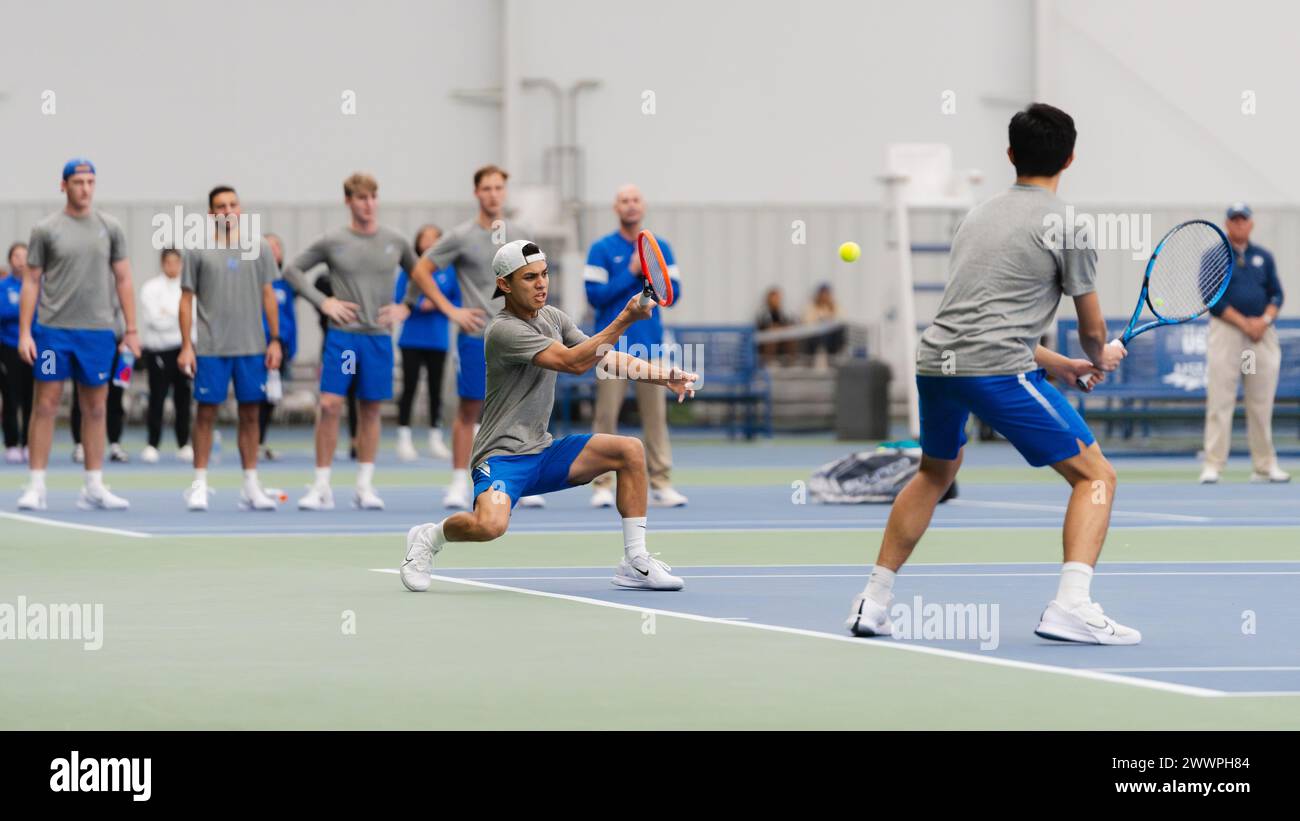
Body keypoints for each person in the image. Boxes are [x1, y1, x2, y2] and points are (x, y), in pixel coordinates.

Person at [844, 104, 1138, 645]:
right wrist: (1099, 355)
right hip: (996, 371)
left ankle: (873, 600)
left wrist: (1067, 366)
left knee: (936, 472)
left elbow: (981, 318)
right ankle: (1072, 605)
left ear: (1010, 155)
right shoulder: (1068, 224)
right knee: (1096, 476)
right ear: (1070, 158)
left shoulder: (977, 216)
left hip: (936, 364)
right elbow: (1093, 331)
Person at [399, 240, 698, 593]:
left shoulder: (553, 317)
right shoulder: (503, 330)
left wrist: (661, 374)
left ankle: (635, 561)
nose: (541, 284)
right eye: (529, 278)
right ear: (505, 285)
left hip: (543, 452)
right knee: (490, 526)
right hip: (501, 458)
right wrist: (625, 317)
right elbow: (572, 363)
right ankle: (429, 538)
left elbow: (602, 355)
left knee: (629, 450)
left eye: (544, 275)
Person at [404, 165, 546, 509]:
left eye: (499, 188)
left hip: (520, 335)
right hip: (477, 337)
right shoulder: (460, 236)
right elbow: (421, 269)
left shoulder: (522, 234)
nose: (493, 194)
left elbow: (537, 279)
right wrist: (451, 310)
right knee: (469, 410)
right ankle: (458, 482)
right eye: (487, 188)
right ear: (476, 193)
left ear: (504, 192)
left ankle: (520, 480)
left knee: (522, 409)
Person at [282, 173, 417, 511]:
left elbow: (421, 273)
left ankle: (364, 486)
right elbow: (292, 272)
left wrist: (406, 306)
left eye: (373, 197)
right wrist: (324, 302)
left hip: (378, 339)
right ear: (348, 201)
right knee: (329, 405)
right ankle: (322, 486)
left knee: (370, 409)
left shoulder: (395, 241)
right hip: (343, 339)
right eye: (360, 198)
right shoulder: (332, 240)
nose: (368, 204)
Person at [17, 158, 140, 511]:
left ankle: (94, 486)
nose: (84, 189)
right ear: (64, 185)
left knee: (96, 407)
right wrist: (26, 332)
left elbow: (124, 278)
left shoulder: (110, 227)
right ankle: (36, 486)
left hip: (98, 334)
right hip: (54, 333)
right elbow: (31, 280)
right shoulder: (46, 229)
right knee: (45, 405)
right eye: (78, 182)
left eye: (90, 183)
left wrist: (131, 329)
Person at [177, 185, 283, 511]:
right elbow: (186, 300)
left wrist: (275, 340)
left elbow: (269, 295)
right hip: (211, 348)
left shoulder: (260, 248)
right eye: (220, 206)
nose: (227, 210)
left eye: (232, 205)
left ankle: (250, 485)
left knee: (251, 415)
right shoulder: (197, 251)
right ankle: (199, 484)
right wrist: (186, 346)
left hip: (251, 347)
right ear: (211, 214)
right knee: (205, 414)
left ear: (240, 209)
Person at [584, 184, 687, 508]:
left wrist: (649, 276)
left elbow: (674, 293)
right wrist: (629, 273)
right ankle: (601, 484)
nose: (630, 206)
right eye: (624, 201)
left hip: (650, 346)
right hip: (610, 347)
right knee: (605, 418)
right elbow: (594, 296)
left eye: (635, 200)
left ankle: (661, 482)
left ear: (642, 207)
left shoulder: (661, 250)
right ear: (616, 208)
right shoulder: (601, 249)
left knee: (655, 418)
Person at [1199, 203, 1289, 484]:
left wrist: (1263, 321)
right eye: (1234, 220)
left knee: (1260, 400)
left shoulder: (1263, 257)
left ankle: (1264, 465)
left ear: (1251, 224)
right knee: (1221, 399)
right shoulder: (1215, 256)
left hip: (1258, 340)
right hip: (1228, 335)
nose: (1239, 225)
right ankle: (1213, 464)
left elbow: (1276, 294)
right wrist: (1245, 323)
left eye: (1243, 220)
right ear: (1227, 224)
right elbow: (1212, 298)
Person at [394, 224, 456, 462]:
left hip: (437, 339)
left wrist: (439, 303)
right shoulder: (410, 270)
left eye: (434, 239)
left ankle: (435, 437)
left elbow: (456, 299)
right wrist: (420, 305)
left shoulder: (449, 270)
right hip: (411, 337)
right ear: (417, 242)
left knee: (435, 390)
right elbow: (400, 298)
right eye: (425, 238)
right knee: (409, 388)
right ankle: (404, 437)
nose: (429, 243)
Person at [138, 248, 194, 463]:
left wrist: (170, 314)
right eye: (168, 262)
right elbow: (154, 320)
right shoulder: (151, 288)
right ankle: (153, 444)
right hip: (159, 350)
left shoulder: (188, 288)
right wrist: (178, 316)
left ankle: (183, 443)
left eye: (176, 262)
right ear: (163, 264)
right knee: (157, 398)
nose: (173, 267)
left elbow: (193, 317)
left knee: (183, 398)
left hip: (183, 349)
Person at [70, 298, 129, 463]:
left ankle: (115, 443)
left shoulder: (119, 283)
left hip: (119, 344)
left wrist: (130, 336)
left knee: (116, 394)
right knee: (81, 394)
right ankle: (80, 443)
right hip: (86, 341)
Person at [258, 233, 298, 462]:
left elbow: (290, 317)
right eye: (268, 247)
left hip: (280, 346)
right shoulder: (255, 281)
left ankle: (260, 440)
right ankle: (253, 440)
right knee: (256, 395)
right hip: (259, 344)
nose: (273, 251)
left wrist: (290, 345)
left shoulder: (285, 284)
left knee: (272, 396)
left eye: (277, 247)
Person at [1, 242, 33, 464]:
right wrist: (24, 308)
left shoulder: (40, 285)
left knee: (35, 397)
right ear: (10, 260)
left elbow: (43, 315)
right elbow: (3, 312)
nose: (21, 260)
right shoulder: (4, 287)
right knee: (10, 397)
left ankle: (31, 443)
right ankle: (11, 444)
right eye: (16, 256)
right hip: (9, 347)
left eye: (25, 256)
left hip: (38, 349)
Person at [801, 283, 845, 359]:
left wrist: (830, 316)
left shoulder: (834, 306)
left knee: (838, 334)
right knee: (819, 337)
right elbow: (807, 321)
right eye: (822, 294)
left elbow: (840, 321)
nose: (824, 297)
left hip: (831, 334)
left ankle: (833, 357)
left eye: (826, 294)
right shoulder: (812, 306)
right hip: (815, 334)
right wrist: (820, 320)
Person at [755, 286, 797, 364]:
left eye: (778, 298)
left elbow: (788, 324)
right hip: (767, 341)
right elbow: (762, 327)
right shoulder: (762, 312)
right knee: (772, 335)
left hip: (782, 339)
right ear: (768, 299)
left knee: (791, 336)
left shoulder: (784, 312)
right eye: (774, 298)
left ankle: (791, 362)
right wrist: (775, 328)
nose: (776, 300)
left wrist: (781, 328)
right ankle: (769, 362)